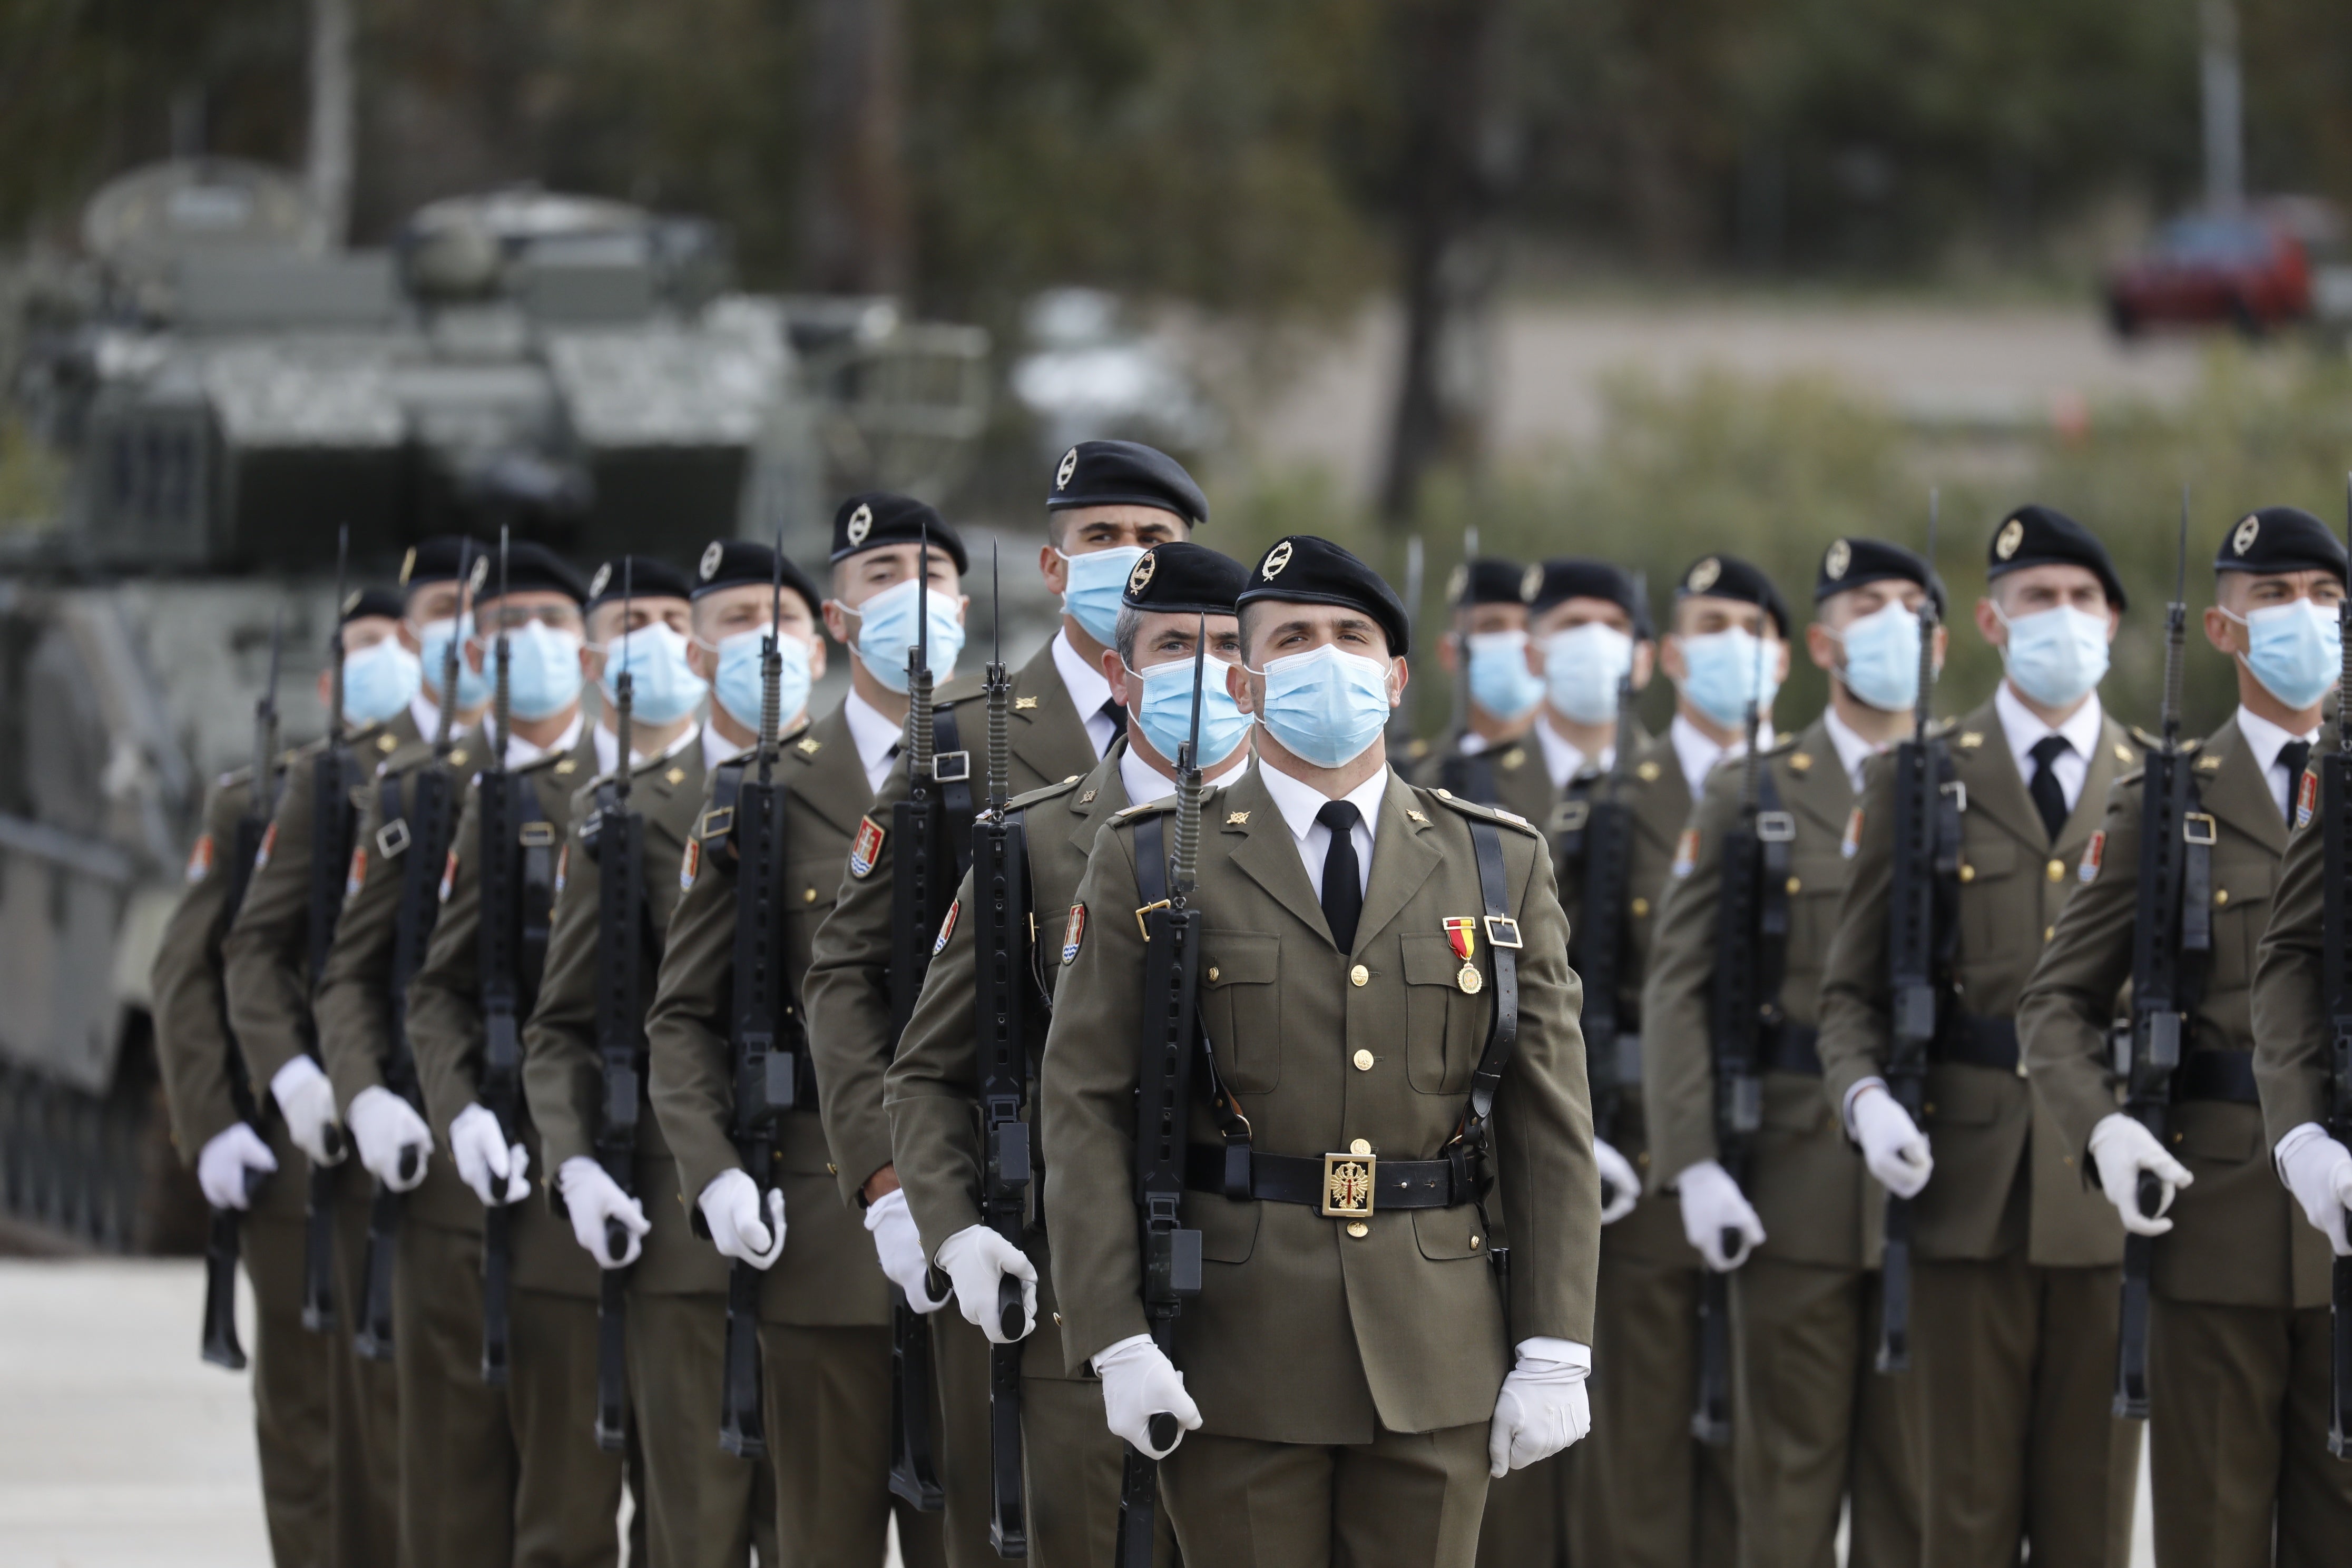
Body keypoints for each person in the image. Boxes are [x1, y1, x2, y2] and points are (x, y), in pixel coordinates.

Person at [1040, 533, 1600, 1568]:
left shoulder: (1496, 860)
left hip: (1436, 1348)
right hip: (1236, 1355)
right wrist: (1114, 1332)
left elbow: (1548, 1115)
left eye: (1350, 636)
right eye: (1293, 638)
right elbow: (1082, 1107)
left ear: (1393, 676)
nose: (1325, 657)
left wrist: (1558, 1343)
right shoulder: (1154, 855)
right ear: (1246, 682)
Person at [804, 443, 1205, 1564]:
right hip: (1010, 1217)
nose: (1131, 561)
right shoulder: (957, 742)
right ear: (1050, 563)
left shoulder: (1236, 736)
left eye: (1158, 540)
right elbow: (850, 974)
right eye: (1103, 538)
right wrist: (893, 1183)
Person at [884, 540, 1252, 1566]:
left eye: (1227, 646)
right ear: (1122, 674)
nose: (1201, 668)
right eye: (1174, 645)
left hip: (1273, 1319)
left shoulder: (1311, 845)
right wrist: (953, 1229)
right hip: (1082, 1309)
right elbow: (927, 1069)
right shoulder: (1038, 843)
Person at [1817, 505, 2142, 1568]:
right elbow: (1851, 996)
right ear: (1992, 625)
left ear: (2116, 625)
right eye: (2036, 599)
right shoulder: (1921, 776)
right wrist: (1864, 1102)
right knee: (1957, 1516)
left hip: (2109, 1206)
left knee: (2092, 1518)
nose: (2061, 618)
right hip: (1963, 1193)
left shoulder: (2158, 786)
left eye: (2082, 599)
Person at [1641, 537, 1939, 1568]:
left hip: (1940, 1189)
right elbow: (1678, 984)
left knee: (1920, 1498)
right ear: (1821, 643)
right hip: (1793, 1182)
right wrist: (1695, 1161)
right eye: (1869, 606)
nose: (1894, 623)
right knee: (1786, 1496)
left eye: (1912, 605)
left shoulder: (1965, 790)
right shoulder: (1753, 786)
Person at [2063, 506, 2352, 1566]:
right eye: (2274, 596)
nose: (2306, 619)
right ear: (2222, 631)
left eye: (2327, 597)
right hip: (2220, 1217)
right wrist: (2101, 1128)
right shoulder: (2168, 796)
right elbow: (2060, 1002)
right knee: (2211, 1537)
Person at [400, 541, 636, 1568]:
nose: (530, 645)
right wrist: (448, 1111)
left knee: (577, 1511)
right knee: (454, 1509)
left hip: (605, 1181)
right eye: (504, 628)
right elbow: (429, 989)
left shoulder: (632, 790)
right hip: (467, 1192)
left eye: (552, 621)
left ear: (585, 649)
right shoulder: (435, 793)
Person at [1550, 553, 1783, 1568]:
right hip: (1634, 1165)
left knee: (1762, 1470)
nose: (1733, 643)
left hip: (1778, 1161)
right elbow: (1554, 1000)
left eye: (1752, 625)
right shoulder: (1609, 802)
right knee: (1634, 1463)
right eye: (1711, 623)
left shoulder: (1813, 794)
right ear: (1672, 654)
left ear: (1783, 657)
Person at [222, 578, 447, 1568]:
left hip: (473, 1143)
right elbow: (239, 957)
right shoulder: (310, 785)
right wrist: (287, 1086)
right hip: (334, 1141)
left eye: (412, 631)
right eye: (371, 640)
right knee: (333, 1426)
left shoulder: (509, 777)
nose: (398, 652)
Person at [152, 716, 320, 1565]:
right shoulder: (257, 797)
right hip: (293, 1154)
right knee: (306, 1429)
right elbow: (188, 969)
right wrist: (212, 1125)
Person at [1407, 555, 1542, 803]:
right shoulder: (1414, 776)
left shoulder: (1575, 768)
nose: (1516, 641)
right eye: (1492, 627)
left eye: (1528, 627)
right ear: (1449, 653)